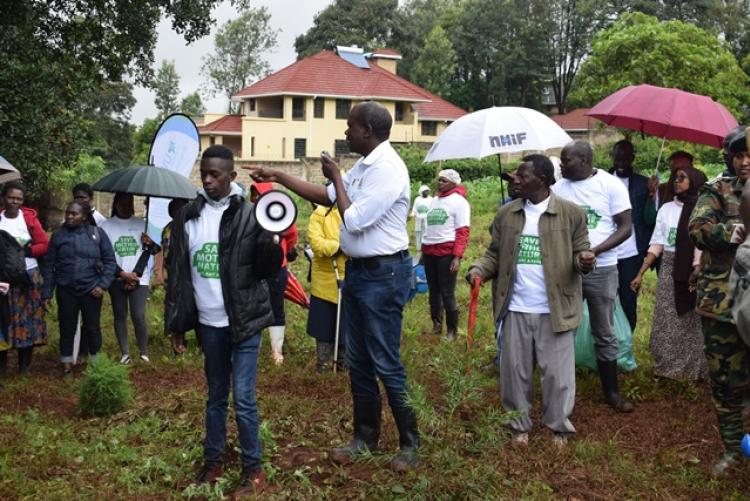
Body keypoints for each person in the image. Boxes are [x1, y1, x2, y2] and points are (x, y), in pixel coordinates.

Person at [249, 101, 420, 471]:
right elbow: (326, 197)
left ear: (368, 132)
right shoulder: (364, 165)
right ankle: (364, 438)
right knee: (357, 360)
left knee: (385, 361)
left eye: (350, 127)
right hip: (359, 273)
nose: (346, 133)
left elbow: (354, 220)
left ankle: (410, 444)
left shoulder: (388, 169)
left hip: (384, 275)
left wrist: (338, 177)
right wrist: (278, 176)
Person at [165, 144, 282, 496]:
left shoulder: (251, 214)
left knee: (243, 396)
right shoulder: (189, 216)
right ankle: (213, 462)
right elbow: (178, 273)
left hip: (244, 322)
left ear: (232, 176)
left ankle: (253, 469)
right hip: (208, 323)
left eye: (216, 174)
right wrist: (177, 323)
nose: (209, 180)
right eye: (205, 173)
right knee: (216, 395)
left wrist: (272, 242)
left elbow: (266, 269)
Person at [467, 154, 594, 446]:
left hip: (555, 309)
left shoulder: (571, 213)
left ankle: (559, 427)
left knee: (558, 377)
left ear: (545, 179)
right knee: (514, 373)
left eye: (523, 176)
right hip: (515, 308)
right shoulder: (506, 214)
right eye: (516, 176)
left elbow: (581, 252)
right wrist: (478, 270)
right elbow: (494, 255)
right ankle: (517, 427)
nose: (517, 181)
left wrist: (584, 261)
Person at [552, 141, 635, 413]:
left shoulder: (611, 185)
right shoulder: (559, 188)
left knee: (604, 330)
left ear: (585, 161)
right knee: (564, 327)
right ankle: (562, 390)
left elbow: (625, 227)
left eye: (566, 160)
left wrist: (595, 251)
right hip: (566, 270)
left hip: (602, 269)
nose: (561, 165)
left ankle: (611, 392)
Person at [688, 126, 750, 475]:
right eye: (738, 155)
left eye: (749, 155)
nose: (744, 162)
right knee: (726, 382)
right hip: (723, 305)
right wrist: (734, 232)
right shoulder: (718, 189)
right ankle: (731, 449)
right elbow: (697, 228)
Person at [630, 166, 708, 380]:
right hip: (670, 269)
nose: (676, 181)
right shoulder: (666, 209)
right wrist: (641, 273)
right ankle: (667, 368)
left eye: (682, 178)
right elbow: (657, 244)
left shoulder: (702, 210)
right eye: (675, 177)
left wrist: (697, 267)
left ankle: (692, 370)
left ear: (694, 181)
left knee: (690, 320)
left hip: (693, 270)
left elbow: (702, 244)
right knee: (666, 318)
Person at [41, 201, 116, 378]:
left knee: (92, 328)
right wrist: (47, 293)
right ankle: (67, 365)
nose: (69, 216)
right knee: (67, 328)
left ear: (84, 216)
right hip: (66, 290)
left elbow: (110, 262)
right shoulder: (58, 236)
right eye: (68, 213)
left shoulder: (97, 234)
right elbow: (49, 265)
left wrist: (102, 285)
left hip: (92, 290)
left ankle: (96, 365)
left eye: (74, 214)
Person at [100, 193, 158, 364]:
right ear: (116, 204)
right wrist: (122, 274)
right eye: (122, 202)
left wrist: (149, 243)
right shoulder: (106, 226)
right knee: (120, 314)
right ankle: (125, 353)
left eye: (129, 202)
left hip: (139, 279)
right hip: (116, 277)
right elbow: (105, 256)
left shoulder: (142, 224)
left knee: (138, 315)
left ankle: (143, 352)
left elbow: (154, 250)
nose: (126, 205)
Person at [0, 181, 49, 374]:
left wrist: (27, 251)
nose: (15, 202)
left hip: (28, 276)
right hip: (3, 278)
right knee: (4, 318)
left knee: (27, 319)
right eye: (11, 197)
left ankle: (24, 366)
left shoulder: (29, 219)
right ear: (4, 198)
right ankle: (2, 365)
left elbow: (44, 244)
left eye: (19, 199)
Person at [249, 182, 298, 365]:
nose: (255, 198)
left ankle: (276, 351)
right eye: (253, 194)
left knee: (276, 306)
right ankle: (254, 347)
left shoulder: (282, 214)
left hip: (278, 268)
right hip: (254, 267)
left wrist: (283, 251)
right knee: (254, 307)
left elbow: (292, 235)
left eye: (259, 194)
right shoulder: (249, 215)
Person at [421, 169, 471, 340]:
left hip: (447, 253)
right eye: (439, 180)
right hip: (430, 252)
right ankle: (436, 324)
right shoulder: (434, 200)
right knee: (433, 291)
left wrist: (457, 256)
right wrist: (423, 250)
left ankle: (452, 331)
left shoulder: (459, 202)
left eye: (444, 181)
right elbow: (429, 228)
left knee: (447, 292)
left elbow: (463, 231)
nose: (439, 183)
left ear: (453, 183)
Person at [609, 140, 653, 331]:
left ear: (632, 159)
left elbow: (650, 218)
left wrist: (652, 196)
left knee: (628, 300)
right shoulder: (601, 180)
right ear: (612, 158)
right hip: (605, 251)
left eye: (625, 159)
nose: (621, 163)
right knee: (604, 299)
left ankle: (626, 342)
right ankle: (604, 341)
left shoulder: (643, 184)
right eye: (618, 159)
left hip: (631, 251)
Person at [306, 204, 347, 373]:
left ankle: (344, 363)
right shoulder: (319, 214)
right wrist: (339, 247)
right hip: (324, 279)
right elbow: (317, 244)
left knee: (346, 325)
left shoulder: (353, 210)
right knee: (323, 324)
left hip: (350, 278)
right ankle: (322, 363)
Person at [154, 198, 191, 354]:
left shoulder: (192, 227)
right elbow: (162, 250)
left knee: (190, 305)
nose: (175, 212)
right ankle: (173, 336)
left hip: (188, 273)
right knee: (172, 304)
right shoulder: (167, 229)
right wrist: (159, 272)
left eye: (179, 208)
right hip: (172, 272)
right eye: (173, 209)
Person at [409, 184, 432, 251]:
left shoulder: (431, 199)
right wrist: (412, 215)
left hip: (427, 219)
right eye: (425, 191)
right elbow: (414, 209)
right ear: (421, 192)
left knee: (426, 232)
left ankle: (426, 247)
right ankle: (419, 247)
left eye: (427, 191)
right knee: (418, 232)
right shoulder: (417, 199)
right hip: (418, 218)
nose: (426, 192)